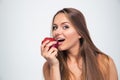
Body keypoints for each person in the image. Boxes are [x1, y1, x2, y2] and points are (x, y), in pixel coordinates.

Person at [40, 8, 118, 80]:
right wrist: (54, 66)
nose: (56, 32)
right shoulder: (49, 66)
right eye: (55, 27)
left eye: (65, 27)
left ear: (80, 33)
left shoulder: (104, 62)